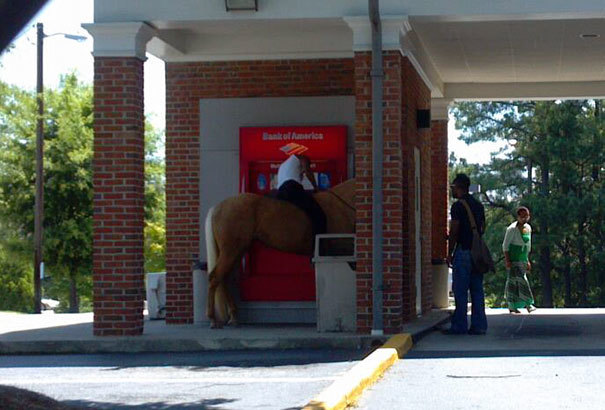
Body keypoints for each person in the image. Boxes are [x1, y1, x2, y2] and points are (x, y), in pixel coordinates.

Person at [445, 173, 488, 335]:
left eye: (453, 187)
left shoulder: (457, 206)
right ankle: (479, 325)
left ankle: (459, 326)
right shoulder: (478, 205)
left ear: (459, 187)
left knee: (461, 290)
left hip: (463, 251)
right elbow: (483, 227)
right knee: (477, 289)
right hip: (477, 253)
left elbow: (454, 230)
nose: (452, 190)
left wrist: (449, 252)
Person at [275, 154, 327, 242]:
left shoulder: (283, 165)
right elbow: (308, 172)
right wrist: (316, 188)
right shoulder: (302, 158)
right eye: (308, 164)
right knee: (318, 214)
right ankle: (319, 244)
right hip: (292, 187)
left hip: (280, 192)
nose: (302, 171)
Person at [503, 206, 536, 314]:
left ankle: (513, 306)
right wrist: (508, 260)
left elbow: (528, 245)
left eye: (527, 216)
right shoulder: (512, 229)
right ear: (518, 217)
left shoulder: (528, 228)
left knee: (514, 283)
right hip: (513, 258)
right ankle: (528, 303)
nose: (525, 219)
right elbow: (505, 246)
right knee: (521, 280)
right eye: (522, 216)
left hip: (523, 257)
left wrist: (527, 260)